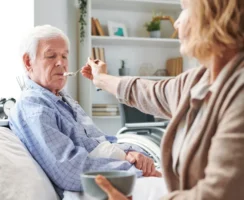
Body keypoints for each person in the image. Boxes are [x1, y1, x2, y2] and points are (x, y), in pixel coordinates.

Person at [81, 0, 244, 199]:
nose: (176, 24)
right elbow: (148, 91)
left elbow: (218, 194)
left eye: (183, 10)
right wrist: (101, 78)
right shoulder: (199, 79)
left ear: (212, 17)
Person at [9, 25, 161, 198]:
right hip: (92, 190)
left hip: (120, 176)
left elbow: (103, 142)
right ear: (28, 62)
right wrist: (131, 167)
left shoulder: (64, 100)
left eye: (64, 56)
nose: (61, 63)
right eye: (51, 56)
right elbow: (69, 170)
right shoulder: (33, 106)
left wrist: (132, 154)